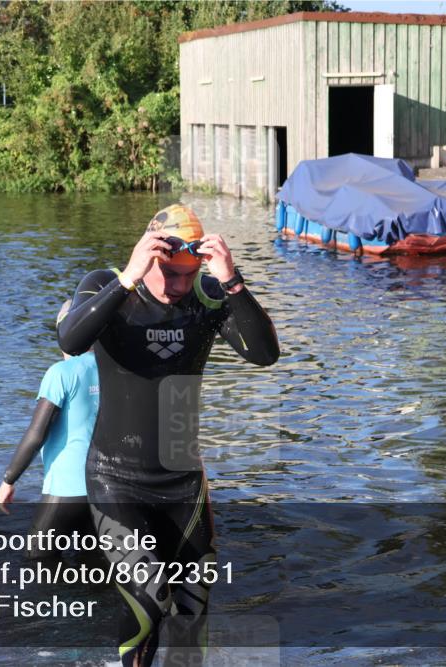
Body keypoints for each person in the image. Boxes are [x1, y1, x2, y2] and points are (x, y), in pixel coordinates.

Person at [57, 204, 279, 666]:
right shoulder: (105, 284)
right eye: (169, 273)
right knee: (148, 597)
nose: (179, 286)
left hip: (182, 480)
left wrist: (233, 281)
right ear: (147, 253)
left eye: (188, 273)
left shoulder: (208, 296)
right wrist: (129, 278)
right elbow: (70, 340)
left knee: (191, 608)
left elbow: (264, 354)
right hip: (117, 477)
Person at [0, 301, 99, 558]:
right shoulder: (117, 369)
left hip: (67, 489)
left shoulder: (61, 373)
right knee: (96, 571)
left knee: (37, 566)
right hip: (110, 489)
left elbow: (36, 434)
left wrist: (8, 480)